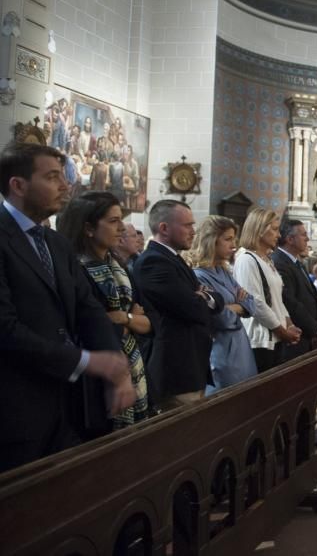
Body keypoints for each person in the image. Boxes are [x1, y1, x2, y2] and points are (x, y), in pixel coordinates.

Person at [0, 143, 134, 472]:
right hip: (15, 408)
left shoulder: (56, 243)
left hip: (68, 406)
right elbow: (6, 330)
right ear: (18, 186)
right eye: (52, 177)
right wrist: (87, 360)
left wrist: (115, 366)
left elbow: (88, 309)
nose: (65, 185)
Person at [57, 191, 151, 430]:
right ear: (88, 228)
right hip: (94, 377)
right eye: (113, 221)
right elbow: (90, 326)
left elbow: (148, 323)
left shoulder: (120, 267)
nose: (121, 228)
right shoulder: (74, 270)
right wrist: (129, 320)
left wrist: (123, 318)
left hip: (132, 364)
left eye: (121, 219)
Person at [132, 199, 223, 409]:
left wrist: (203, 297)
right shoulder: (152, 262)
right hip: (175, 368)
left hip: (190, 365)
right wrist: (202, 298)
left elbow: (216, 299)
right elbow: (192, 308)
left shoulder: (173, 259)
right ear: (164, 228)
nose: (194, 231)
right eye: (188, 225)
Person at [186, 216, 258, 393]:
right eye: (227, 239)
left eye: (233, 239)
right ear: (211, 241)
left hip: (241, 348)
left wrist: (233, 306)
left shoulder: (223, 271)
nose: (233, 245)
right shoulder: (199, 275)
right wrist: (239, 304)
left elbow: (252, 303)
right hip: (222, 352)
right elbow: (220, 318)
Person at [233, 207, 301, 373]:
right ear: (259, 229)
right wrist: (282, 331)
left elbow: (277, 299)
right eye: (275, 229)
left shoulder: (266, 259)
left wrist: (289, 324)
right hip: (260, 338)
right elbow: (255, 302)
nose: (279, 235)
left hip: (275, 334)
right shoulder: (246, 259)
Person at [272, 219, 317, 361]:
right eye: (303, 235)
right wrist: (316, 329)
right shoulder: (279, 263)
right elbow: (291, 303)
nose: (307, 238)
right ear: (290, 239)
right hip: (295, 336)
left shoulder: (295, 261)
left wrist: (315, 328)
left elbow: (309, 297)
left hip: (306, 334)